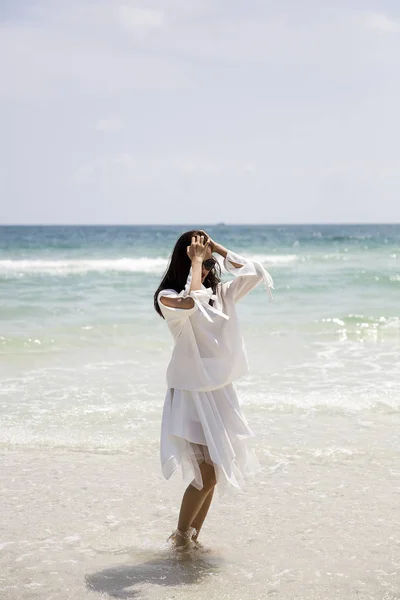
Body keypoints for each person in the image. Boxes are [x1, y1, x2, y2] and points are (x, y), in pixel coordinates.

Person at [154, 230, 274, 549]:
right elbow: (190, 304)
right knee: (205, 474)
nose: (205, 267)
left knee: (214, 473)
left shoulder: (220, 295)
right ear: (184, 261)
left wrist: (217, 249)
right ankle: (180, 539)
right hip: (190, 394)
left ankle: (191, 539)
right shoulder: (168, 297)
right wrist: (196, 263)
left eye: (208, 262)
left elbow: (256, 271)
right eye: (196, 260)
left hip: (218, 391)